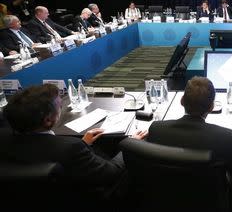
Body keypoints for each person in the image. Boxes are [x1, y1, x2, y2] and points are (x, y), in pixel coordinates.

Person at [0, 84, 148, 196]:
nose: (62, 106)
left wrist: (84, 143)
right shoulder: (70, 147)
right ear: (48, 120)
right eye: (59, 105)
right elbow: (112, 173)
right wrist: (130, 144)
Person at [146, 76, 232, 176]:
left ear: (181, 101)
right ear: (211, 107)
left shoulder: (156, 130)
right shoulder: (225, 137)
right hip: (209, 191)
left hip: (164, 190)